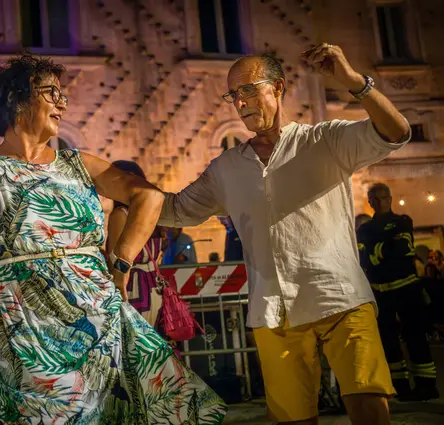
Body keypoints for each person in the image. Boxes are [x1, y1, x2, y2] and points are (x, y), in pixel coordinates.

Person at [0, 50, 226, 424]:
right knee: (51, 414)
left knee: (126, 409)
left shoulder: (78, 163)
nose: (62, 103)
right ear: (17, 99)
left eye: (62, 95)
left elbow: (147, 196)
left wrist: (120, 264)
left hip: (96, 313)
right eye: (52, 93)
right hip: (27, 323)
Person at [159, 44, 412, 425]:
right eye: (233, 94)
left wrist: (354, 83)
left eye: (248, 89)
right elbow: (176, 210)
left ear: (277, 88)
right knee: (293, 418)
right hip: (272, 310)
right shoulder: (226, 167)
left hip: (339, 297)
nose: (239, 102)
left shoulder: (325, 140)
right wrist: (101, 183)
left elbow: (396, 132)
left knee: (369, 405)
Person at [357, 183, 438, 401]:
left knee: (415, 336)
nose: (380, 202)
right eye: (375, 198)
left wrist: (375, 252)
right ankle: (399, 384)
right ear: (370, 201)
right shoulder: (364, 230)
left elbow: (402, 249)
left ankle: (426, 385)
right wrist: (381, 251)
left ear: (390, 199)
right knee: (388, 340)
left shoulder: (402, 221)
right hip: (381, 292)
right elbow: (363, 256)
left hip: (406, 288)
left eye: (383, 198)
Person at [106, 160, 164, 326]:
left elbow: (115, 260)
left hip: (132, 288)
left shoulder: (120, 214)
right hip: (154, 288)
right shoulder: (153, 213)